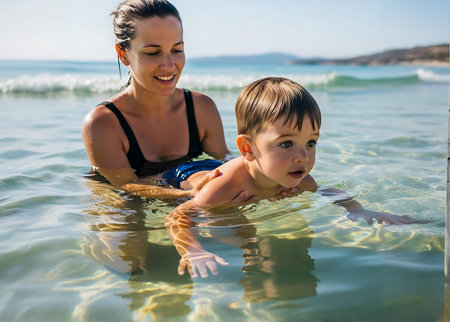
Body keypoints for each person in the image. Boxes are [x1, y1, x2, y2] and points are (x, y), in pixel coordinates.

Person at [163, 77, 420, 278]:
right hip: (185, 174)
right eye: (286, 144)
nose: (302, 157)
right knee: (227, 224)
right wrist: (193, 250)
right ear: (248, 149)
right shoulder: (225, 186)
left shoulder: (301, 179)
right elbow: (177, 216)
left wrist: (357, 209)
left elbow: (327, 192)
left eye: (311, 142)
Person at [82, 0, 245, 200]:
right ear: (123, 54)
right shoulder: (103, 123)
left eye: (177, 50)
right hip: (121, 200)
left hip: (184, 190)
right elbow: (125, 185)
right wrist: (188, 193)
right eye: (153, 52)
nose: (169, 66)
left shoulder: (201, 108)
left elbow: (224, 161)